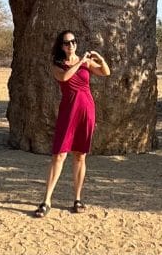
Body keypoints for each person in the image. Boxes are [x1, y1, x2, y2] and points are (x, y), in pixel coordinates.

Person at [33, 29, 110, 218]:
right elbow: (65, 77)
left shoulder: (85, 62)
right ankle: (46, 200)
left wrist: (99, 58)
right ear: (61, 46)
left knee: (80, 156)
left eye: (73, 41)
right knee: (59, 155)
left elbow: (106, 72)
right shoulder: (57, 65)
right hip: (68, 112)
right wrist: (81, 62)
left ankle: (77, 198)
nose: (71, 45)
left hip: (86, 111)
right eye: (67, 43)